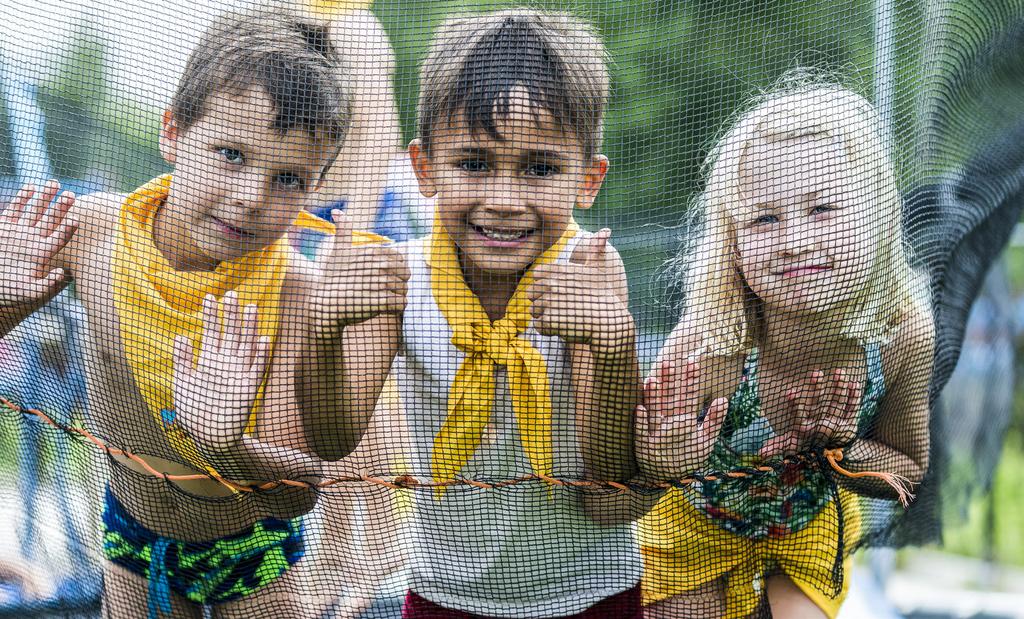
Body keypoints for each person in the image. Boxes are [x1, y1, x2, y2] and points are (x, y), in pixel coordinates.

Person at [0, 8, 406, 617]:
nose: (251, 198)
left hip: (251, 554)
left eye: (289, 178)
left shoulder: (297, 294)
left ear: (318, 186)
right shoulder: (91, 234)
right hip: (133, 543)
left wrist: (224, 441)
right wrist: (5, 303)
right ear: (173, 132)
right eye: (231, 155)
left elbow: (302, 492)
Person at [635, 83, 935, 618]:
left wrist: (842, 449)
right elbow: (644, 465)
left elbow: (908, 471)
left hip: (807, 530)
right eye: (764, 219)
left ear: (877, 217)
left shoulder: (902, 332)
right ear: (731, 240)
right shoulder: (710, 339)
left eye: (822, 208)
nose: (794, 240)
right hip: (693, 528)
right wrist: (665, 454)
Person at [397, 9, 647, 618]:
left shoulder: (591, 270)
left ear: (587, 180)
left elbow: (610, 481)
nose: (504, 201)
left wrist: (615, 344)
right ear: (426, 167)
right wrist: (328, 324)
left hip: (592, 591)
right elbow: (333, 437)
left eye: (540, 168)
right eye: (474, 163)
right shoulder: (403, 278)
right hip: (444, 591)